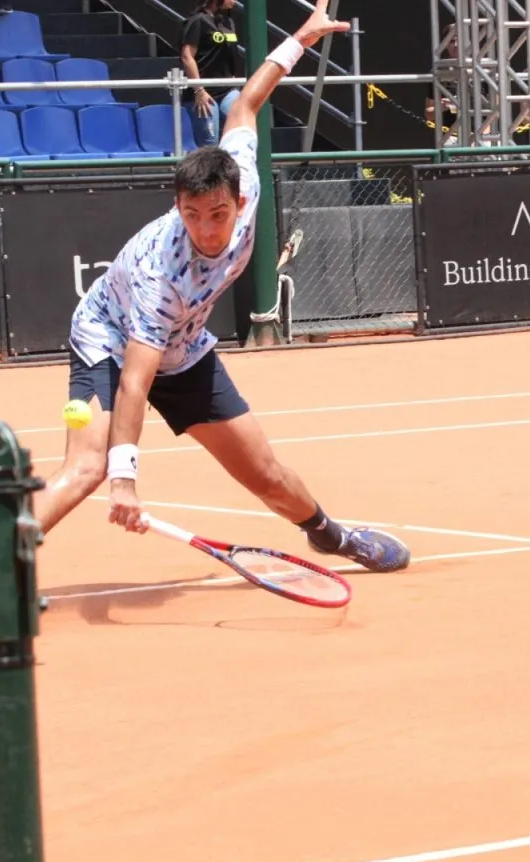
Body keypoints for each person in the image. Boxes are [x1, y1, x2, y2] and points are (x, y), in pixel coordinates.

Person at [33, 0, 411, 574]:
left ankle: (333, 537)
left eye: (215, 214)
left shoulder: (243, 177)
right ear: (177, 206)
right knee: (86, 469)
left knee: (266, 475)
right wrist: (126, 479)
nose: (205, 229)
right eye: (191, 214)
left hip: (183, 349)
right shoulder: (163, 272)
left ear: (239, 202)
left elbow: (247, 103)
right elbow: (135, 381)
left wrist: (301, 39)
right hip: (110, 338)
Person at [179, 0, 241, 148]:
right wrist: (199, 90)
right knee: (209, 145)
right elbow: (187, 56)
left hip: (227, 90)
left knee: (242, 127)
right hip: (203, 93)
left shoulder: (228, 21)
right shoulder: (198, 20)